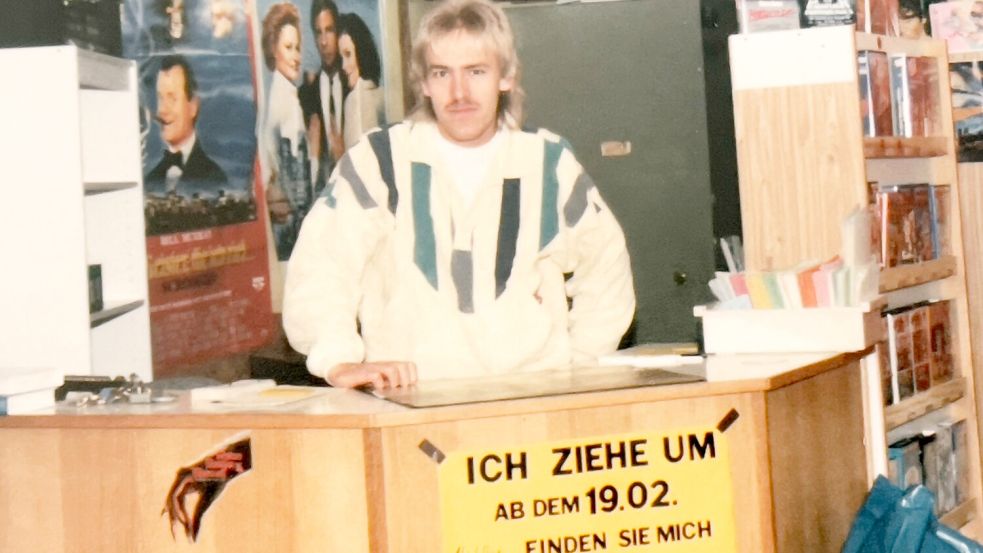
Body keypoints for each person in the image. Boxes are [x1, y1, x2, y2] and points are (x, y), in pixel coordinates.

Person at [283, 0, 635, 389]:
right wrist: (337, 359)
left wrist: (579, 365)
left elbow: (606, 263)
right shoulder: (379, 162)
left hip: (533, 402)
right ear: (424, 83)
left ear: (506, 77)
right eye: (442, 73)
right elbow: (323, 263)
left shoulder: (547, 162)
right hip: (411, 401)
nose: (459, 91)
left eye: (476, 71)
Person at [261, 2, 312, 260]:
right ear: (273, 50)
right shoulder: (286, 101)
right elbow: (295, 170)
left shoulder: (278, 93)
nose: (296, 56)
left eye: (298, 48)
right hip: (291, 223)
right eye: (288, 48)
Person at [145, 55, 228, 199]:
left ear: (193, 107)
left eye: (172, 98)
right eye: (160, 98)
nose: (162, 110)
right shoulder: (150, 180)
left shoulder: (215, 178)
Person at [298, 0, 348, 193]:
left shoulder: (353, 86)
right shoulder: (305, 95)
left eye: (329, 30)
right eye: (319, 32)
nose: (324, 41)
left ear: (338, 32)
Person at [337, 12, 386, 150]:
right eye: (340, 57)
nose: (343, 66)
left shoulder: (355, 100)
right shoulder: (382, 95)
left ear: (361, 52)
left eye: (348, 54)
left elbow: (356, 162)